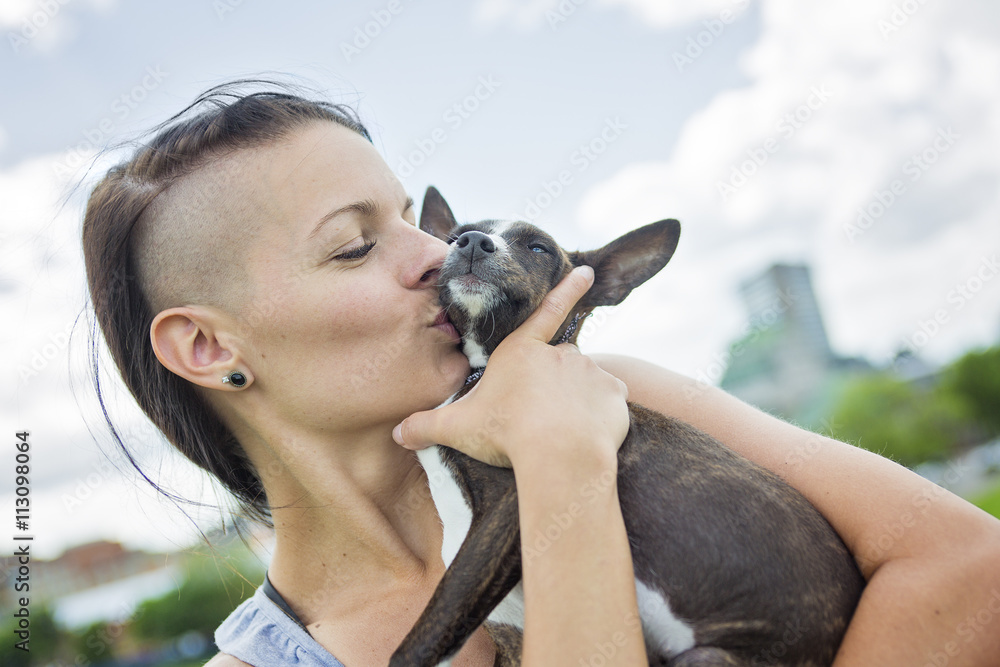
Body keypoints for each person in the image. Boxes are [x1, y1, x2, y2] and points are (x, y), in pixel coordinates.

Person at [81, 82, 1000, 666]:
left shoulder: (612, 389)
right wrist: (562, 465)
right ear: (210, 347)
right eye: (357, 245)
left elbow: (971, 565)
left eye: (416, 219)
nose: (438, 254)